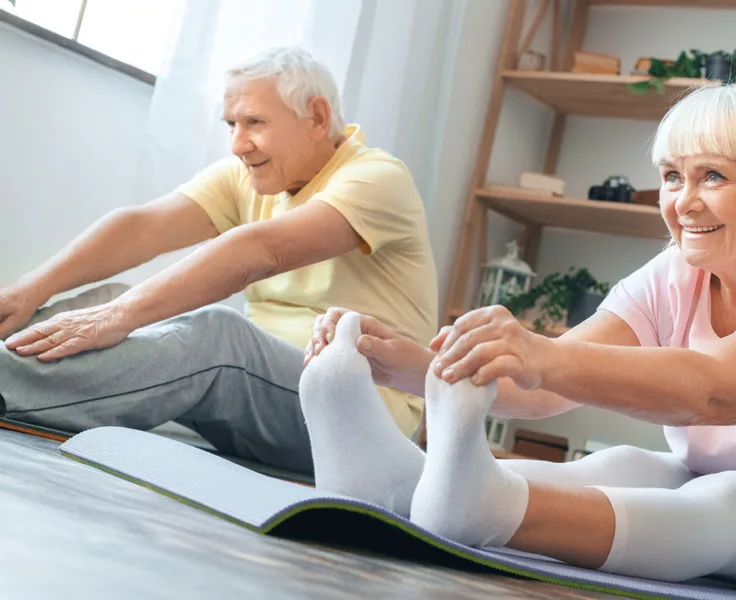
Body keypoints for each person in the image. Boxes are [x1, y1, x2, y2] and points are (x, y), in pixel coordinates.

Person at [300, 67, 736, 600]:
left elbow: (721, 391)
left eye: (712, 176)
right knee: (624, 465)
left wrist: (542, 357)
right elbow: (544, 388)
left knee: (733, 505)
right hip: (732, 483)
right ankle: (401, 487)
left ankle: (490, 509)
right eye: (671, 177)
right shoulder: (678, 269)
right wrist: (404, 362)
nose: (683, 202)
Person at [0, 44, 438, 472]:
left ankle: (7, 382)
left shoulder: (377, 178)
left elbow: (259, 251)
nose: (237, 143)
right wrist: (31, 288)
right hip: (269, 400)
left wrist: (119, 317)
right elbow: (142, 228)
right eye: (231, 123)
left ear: (317, 118)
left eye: (254, 122)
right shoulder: (251, 176)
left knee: (219, 335)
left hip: (362, 423)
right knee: (119, 297)